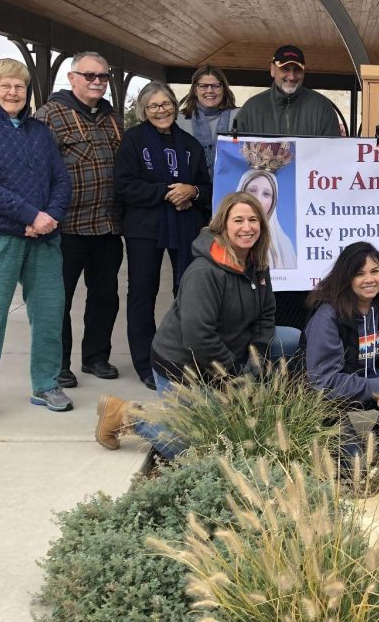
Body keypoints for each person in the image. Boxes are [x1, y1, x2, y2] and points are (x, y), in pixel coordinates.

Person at [95, 192, 276, 456]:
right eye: (238, 220)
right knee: (196, 449)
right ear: (223, 225)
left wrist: (256, 360)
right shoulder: (204, 272)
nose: (247, 228)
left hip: (224, 360)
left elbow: (266, 315)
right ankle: (127, 415)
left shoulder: (256, 264)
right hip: (182, 367)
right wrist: (235, 376)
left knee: (289, 338)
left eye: (253, 220)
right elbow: (198, 337)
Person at [0, 59, 73, 425]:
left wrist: (47, 217)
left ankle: (46, 384)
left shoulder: (40, 132)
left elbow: (61, 181)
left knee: (50, 313)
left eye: (19, 86)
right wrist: (29, 215)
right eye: (4, 85)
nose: (12, 92)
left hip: (42, 238)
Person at [114, 81, 212, 389]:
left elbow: (207, 188)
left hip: (185, 225)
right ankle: (145, 363)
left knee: (187, 292)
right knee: (143, 292)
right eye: (154, 106)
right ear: (144, 110)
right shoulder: (133, 141)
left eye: (166, 104)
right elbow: (125, 185)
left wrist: (192, 191)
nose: (161, 110)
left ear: (175, 105)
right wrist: (168, 192)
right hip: (145, 227)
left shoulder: (190, 144)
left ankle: (182, 358)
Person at [36, 51, 124, 389]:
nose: (97, 82)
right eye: (90, 76)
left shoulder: (113, 118)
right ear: (72, 78)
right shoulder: (50, 116)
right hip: (66, 229)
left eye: (103, 77)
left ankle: (96, 357)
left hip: (106, 227)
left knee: (105, 296)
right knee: (58, 300)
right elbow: (38, 170)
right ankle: (59, 364)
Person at [303, 242, 379, 456]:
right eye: (360, 274)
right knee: (352, 465)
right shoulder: (328, 315)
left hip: (378, 379)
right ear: (346, 279)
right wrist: (376, 387)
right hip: (340, 395)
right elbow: (324, 381)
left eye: (375, 271)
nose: (370, 279)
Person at [230, 45, 341, 137]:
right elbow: (235, 153)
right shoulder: (252, 108)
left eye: (297, 70)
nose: (292, 76)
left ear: (303, 72)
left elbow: (333, 153)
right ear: (272, 69)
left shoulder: (322, 107)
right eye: (285, 69)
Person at [237, 140, 296, 268]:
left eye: (266, 194)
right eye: (252, 190)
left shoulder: (285, 245)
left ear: (273, 200)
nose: (257, 199)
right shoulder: (226, 237)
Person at [175, 63, 239, 174]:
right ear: (195, 90)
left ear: (223, 89)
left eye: (215, 86)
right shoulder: (179, 120)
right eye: (203, 86)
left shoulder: (239, 116)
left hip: (230, 184)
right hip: (190, 186)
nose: (209, 90)